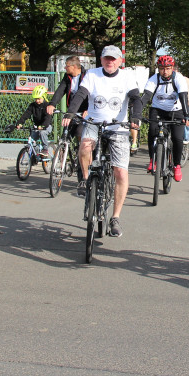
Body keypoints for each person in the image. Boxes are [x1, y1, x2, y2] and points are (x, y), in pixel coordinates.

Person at [63, 45, 143, 238]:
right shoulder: (92, 75)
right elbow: (80, 94)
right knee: (85, 146)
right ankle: (84, 178)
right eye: (107, 58)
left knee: (120, 173)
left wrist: (136, 117)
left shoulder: (126, 77)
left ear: (120, 61)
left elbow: (136, 99)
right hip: (94, 123)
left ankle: (115, 218)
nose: (110, 62)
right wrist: (70, 112)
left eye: (114, 59)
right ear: (101, 60)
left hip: (118, 127)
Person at [143, 55, 189, 181]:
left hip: (176, 111)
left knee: (177, 138)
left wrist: (187, 115)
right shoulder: (154, 78)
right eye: (162, 68)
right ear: (158, 68)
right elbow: (146, 96)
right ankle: (153, 160)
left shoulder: (178, 78)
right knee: (152, 132)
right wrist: (136, 114)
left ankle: (177, 165)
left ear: (172, 68)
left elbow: (183, 97)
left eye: (168, 68)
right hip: (158, 110)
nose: (165, 71)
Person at [47, 55, 87, 181]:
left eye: (67, 65)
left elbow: (92, 93)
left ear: (74, 66)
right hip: (71, 111)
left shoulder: (87, 76)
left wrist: (89, 109)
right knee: (65, 135)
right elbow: (60, 90)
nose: (65, 68)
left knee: (81, 136)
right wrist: (52, 104)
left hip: (84, 112)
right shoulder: (67, 77)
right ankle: (63, 155)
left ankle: (83, 173)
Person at [6, 84, 51, 151]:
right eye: (35, 99)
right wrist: (20, 123)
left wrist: (43, 126)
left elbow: (48, 117)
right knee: (31, 140)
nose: (37, 101)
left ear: (44, 97)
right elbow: (26, 115)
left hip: (46, 126)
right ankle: (33, 156)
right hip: (37, 126)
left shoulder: (47, 105)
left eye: (39, 98)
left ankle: (45, 149)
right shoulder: (32, 106)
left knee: (42, 133)